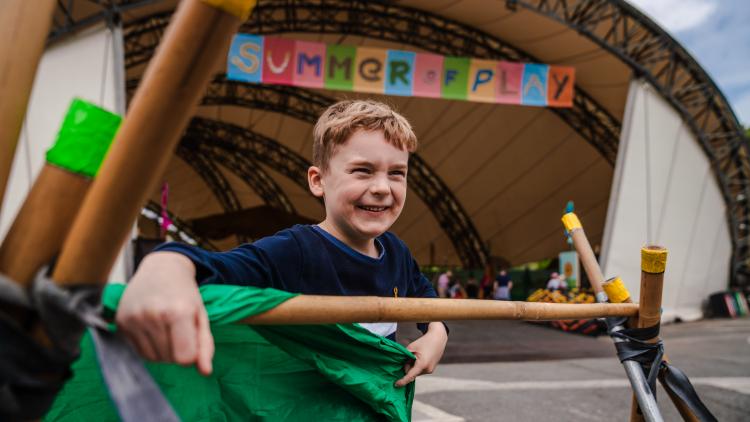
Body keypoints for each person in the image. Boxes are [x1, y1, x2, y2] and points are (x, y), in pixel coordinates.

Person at [116, 100, 448, 388]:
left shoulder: (397, 252)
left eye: (396, 173)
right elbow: (216, 267)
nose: (382, 187)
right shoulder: (295, 250)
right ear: (318, 181)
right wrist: (164, 267)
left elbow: (424, 296)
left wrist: (436, 332)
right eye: (362, 171)